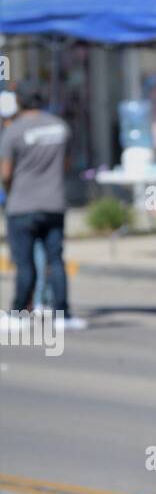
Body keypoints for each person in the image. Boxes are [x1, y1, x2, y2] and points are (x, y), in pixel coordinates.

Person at [0, 79, 84, 326]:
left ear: (19, 101)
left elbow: (5, 173)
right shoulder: (60, 127)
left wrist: (12, 187)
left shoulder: (14, 131)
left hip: (22, 205)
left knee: (25, 263)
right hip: (54, 202)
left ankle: (19, 313)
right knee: (55, 261)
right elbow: (67, 164)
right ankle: (63, 314)